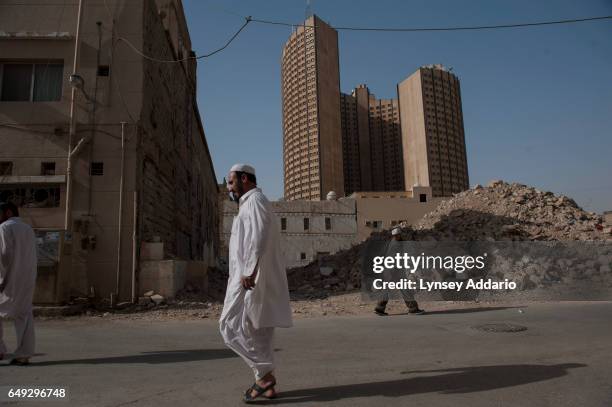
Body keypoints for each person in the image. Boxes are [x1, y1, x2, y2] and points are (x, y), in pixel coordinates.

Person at [219, 164, 293, 403]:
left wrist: (249, 271)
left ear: (244, 178)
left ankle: (264, 376)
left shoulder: (255, 201)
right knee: (258, 330)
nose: (229, 188)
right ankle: (267, 383)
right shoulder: (250, 203)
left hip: (249, 278)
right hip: (249, 277)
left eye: (231, 182)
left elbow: (258, 235)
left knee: (229, 325)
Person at [0, 202, 37, 365]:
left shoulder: (5, 227)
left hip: (10, 278)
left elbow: (4, 256)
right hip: (27, 277)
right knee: (24, 315)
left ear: (7, 213)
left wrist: (1, 280)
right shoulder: (27, 228)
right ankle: (24, 354)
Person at [374, 226, 425, 316]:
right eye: (399, 235)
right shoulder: (396, 244)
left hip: (390, 270)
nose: (400, 236)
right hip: (394, 270)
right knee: (405, 289)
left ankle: (379, 308)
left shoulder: (393, 243)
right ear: (397, 235)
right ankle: (413, 309)